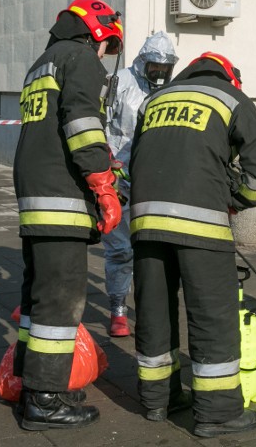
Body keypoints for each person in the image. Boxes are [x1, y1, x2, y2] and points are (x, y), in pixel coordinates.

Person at [129, 52, 256, 437]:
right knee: (212, 314)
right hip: (200, 225)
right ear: (231, 77)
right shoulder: (230, 98)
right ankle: (217, 413)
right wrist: (242, 199)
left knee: (154, 309)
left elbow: (135, 157)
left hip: (145, 222)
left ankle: (157, 399)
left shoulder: (156, 100)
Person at [12, 0, 124, 430]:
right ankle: (45, 399)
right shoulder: (80, 58)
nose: (104, 55)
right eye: (106, 45)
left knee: (37, 297)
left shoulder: (42, 62)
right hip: (61, 198)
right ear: (96, 31)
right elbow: (82, 123)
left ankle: (34, 381)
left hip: (35, 195)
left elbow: (52, 131)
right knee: (61, 302)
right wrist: (101, 181)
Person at [102, 31, 178, 337]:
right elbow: (100, 121)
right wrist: (106, 161)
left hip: (154, 179)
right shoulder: (118, 82)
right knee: (119, 249)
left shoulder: (171, 90)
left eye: (165, 69)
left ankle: (149, 306)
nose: (159, 74)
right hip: (120, 177)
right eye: (154, 68)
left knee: (151, 248)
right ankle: (118, 309)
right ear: (142, 63)